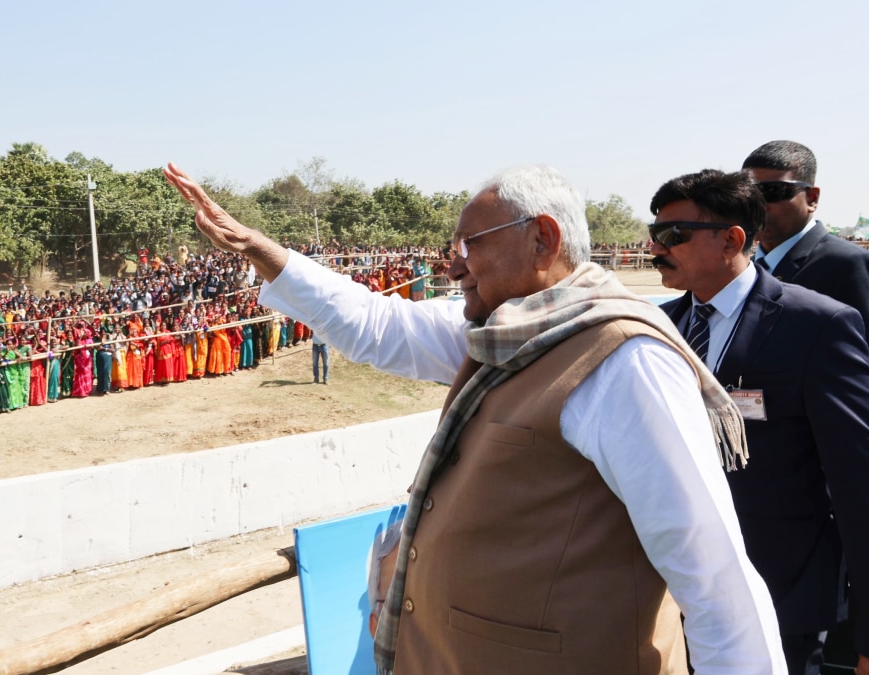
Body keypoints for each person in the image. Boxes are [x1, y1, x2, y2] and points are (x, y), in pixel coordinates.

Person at [164, 161, 785, 674]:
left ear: (542, 238)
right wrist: (258, 249)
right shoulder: (502, 332)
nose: (454, 263)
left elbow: (715, 580)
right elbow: (379, 326)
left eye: (470, 245)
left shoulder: (624, 360)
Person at [649, 169, 869, 675]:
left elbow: (858, 484)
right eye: (656, 233)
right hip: (674, 595)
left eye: (674, 235)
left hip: (779, 600)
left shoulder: (817, 325)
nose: (657, 247)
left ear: (732, 238)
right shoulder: (657, 327)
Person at [742, 141, 869, 331]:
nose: (759, 206)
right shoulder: (746, 267)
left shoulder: (847, 263)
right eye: (748, 195)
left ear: (812, 198)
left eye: (773, 192)